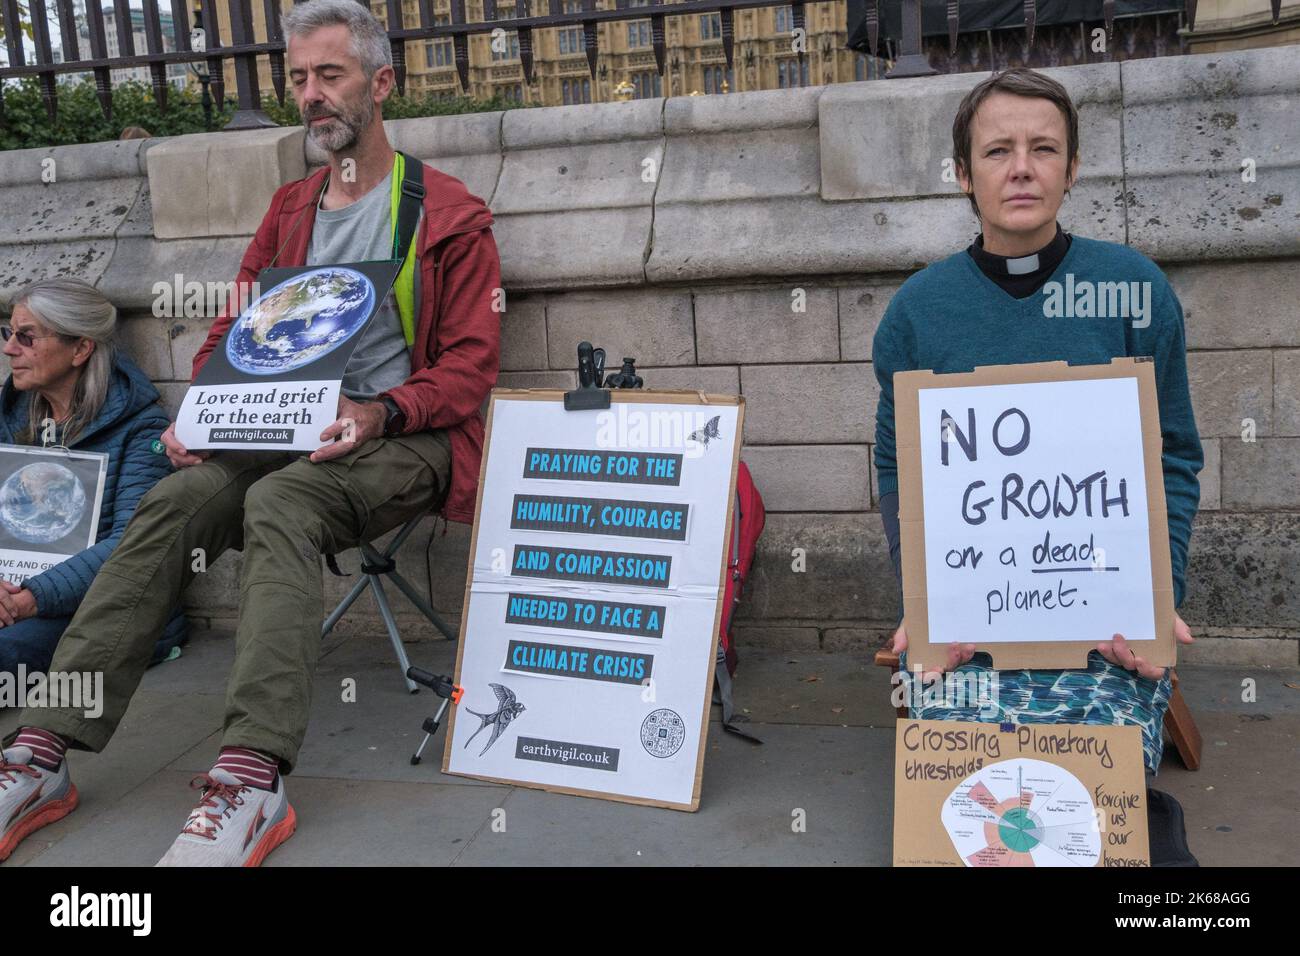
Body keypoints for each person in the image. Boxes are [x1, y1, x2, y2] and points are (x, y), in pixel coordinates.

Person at [0, 0, 500, 866]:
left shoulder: (448, 214)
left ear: (382, 84)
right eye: (299, 78)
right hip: (282, 428)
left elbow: (468, 370)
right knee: (175, 497)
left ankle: (250, 780)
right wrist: (202, 416)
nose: (310, 96)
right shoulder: (288, 210)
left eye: (330, 76)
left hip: (404, 437)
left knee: (281, 503)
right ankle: (41, 752)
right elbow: (235, 338)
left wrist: (379, 411)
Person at [873, 68, 1203, 777]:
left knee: (1094, 787)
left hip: (1104, 627)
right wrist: (921, 604)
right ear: (963, 173)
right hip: (968, 629)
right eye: (997, 151)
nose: (1022, 168)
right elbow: (900, 469)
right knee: (962, 788)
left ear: (1072, 168)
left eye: (1044, 148)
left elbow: (1173, 454)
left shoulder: (1132, 289)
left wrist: (1156, 590)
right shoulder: (916, 313)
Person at [0, 278, 187, 677]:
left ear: (81, 348)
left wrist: (29, 599)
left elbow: (133, 544)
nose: (9, 348)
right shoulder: (11, 417)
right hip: (14, 596)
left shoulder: (142, 428)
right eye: (9, 333)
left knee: (7, 650)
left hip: (105, 604)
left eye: (27, 337)